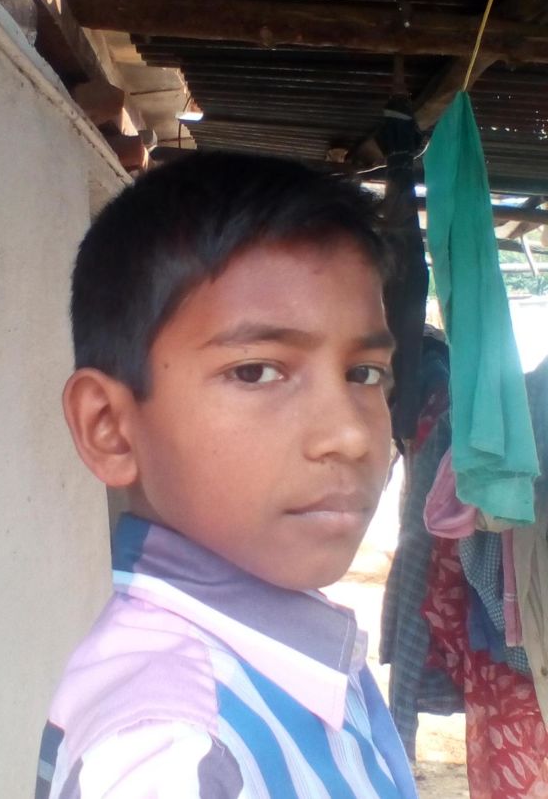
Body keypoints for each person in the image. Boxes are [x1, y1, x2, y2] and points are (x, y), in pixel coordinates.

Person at [35, 152, 418, 798]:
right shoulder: (174, 753)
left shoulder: (288, 658)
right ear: (110, 427)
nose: (352, 436)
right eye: (256, 371)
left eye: (364, 374)